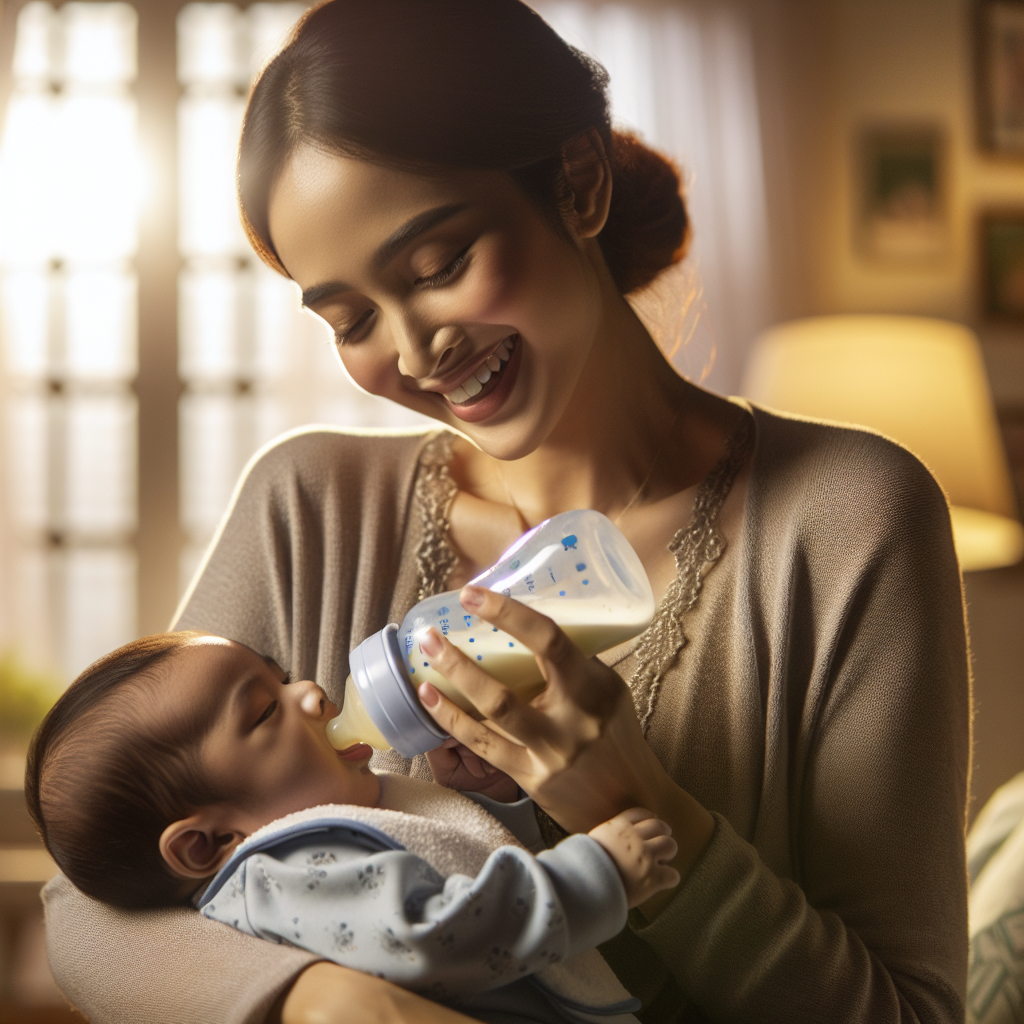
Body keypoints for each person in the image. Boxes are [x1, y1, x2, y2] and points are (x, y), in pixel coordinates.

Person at [41, 1, 971, 1021]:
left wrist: (642, 809)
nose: (409, 349)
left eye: (436, 264)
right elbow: (93, 904)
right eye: (349, 317)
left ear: (576, 184)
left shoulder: (845, 522)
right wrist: (330, 998)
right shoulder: (309, 510)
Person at [27, 631, 679, 1024]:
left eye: (281, 678)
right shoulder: (287, 877)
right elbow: (440, 937)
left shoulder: (334, 823)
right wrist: (595, 878)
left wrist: (483, 799)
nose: (311, 692)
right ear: (211, 842)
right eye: (263, 713)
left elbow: (459, 873)